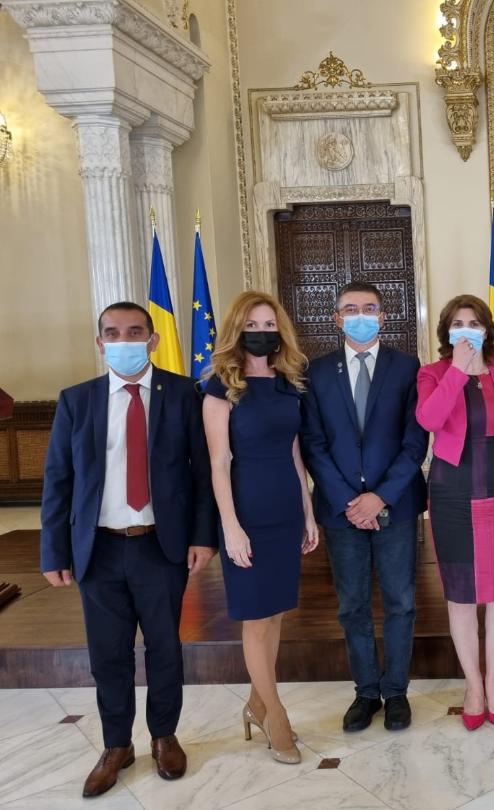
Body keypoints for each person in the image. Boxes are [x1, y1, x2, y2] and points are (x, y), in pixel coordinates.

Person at [39, 302, 216, 797]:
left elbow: (201, 473)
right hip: (98, 549)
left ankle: (164, 736)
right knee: (108, 655)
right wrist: (54, 551)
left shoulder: (184, 394)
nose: (124, 341)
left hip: (159, 545)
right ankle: (116, 745)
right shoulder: (77, 400)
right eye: (113, 333)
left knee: (165, 649)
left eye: (135, 332)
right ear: (100, 343)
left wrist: (203, 536)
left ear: (152, 340)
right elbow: (58, 479)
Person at [301, 281, 428, 734]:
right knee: (352, 605)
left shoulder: (408, 367)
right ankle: (366, 692)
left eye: (369, 308)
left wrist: (380, 497)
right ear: (337, 319)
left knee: (400, 602)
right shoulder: (316, 373)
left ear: (383, 316)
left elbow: (415, 442)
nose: (360, 316)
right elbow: (314, 444)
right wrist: (349, 501)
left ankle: (396, 692)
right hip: (341, 511)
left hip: (395, 504)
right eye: (351, 309)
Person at [202, 291, 318, 764]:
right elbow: (218, 462)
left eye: (270, 324)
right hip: (246, 510)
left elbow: (294, 452)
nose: (262, 332)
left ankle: (256, 703)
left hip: (285, 508)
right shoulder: (220, 386)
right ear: (237, 328)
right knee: (255, 616)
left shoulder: (289, 381)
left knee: (275, 614)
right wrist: (230, 526)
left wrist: (308, 512)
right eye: (253, 324)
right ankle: (276, 715)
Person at [416, 295, 494, 729]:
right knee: (462, 594)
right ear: (446, 332)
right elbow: (429, 420)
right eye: (457, 323)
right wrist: (457, 371)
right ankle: (472, 686)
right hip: (453, 489)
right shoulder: (432, 373)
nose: (466, 330)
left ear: (487, 329)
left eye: (474, 322)